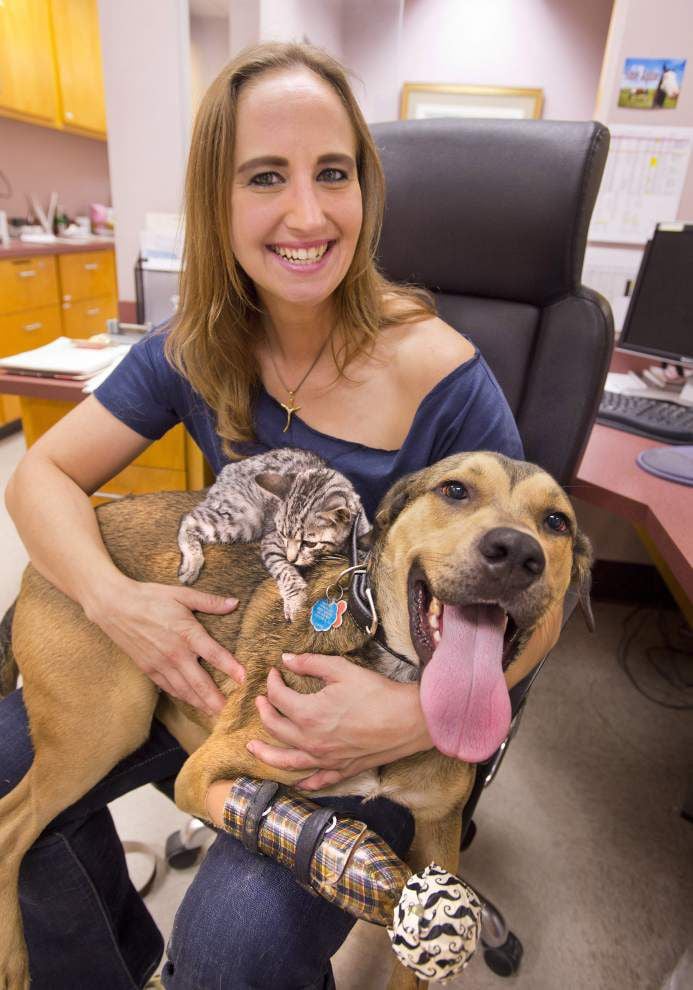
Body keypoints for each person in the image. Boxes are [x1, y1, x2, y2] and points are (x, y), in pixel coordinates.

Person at [1, 42, 561, 990]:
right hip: (232, 664)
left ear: (365, 191)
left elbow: (533, 592)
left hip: (371, 701)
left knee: (234, 944)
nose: (307, 214)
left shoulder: (443, 374)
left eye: (332, 174)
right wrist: (115, 602)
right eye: (265, 177)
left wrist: (404, 716)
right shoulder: (197, 346)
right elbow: (40, 475)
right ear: (216, 202)